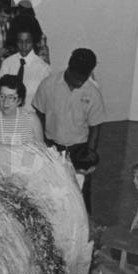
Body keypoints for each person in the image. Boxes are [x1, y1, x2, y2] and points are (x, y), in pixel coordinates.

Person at [33, 48, 105, 214]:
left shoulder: (93, 93)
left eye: (83, 79)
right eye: (75, 78)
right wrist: (42, 145)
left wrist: (90, 156)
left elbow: (96, 128)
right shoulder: (48, 84)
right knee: (52, 191)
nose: (78, 83)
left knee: (80, 194)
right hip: (52, 146)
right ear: (68, 68)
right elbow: (39, 115)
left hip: (79, 150)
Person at [0, 15, 50, 111]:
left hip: (30, 118)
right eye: (20, 42)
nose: (24, 46)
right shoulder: (7, 63)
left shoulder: (43, 69)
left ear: (34, 41)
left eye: (27, 42)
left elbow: (45, 102)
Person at [0, 74, 43, 145]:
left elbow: (42, 151)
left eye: (11, 98)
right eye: (2, 96)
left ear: (19, 100)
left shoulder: (31, 119)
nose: (5, 102)